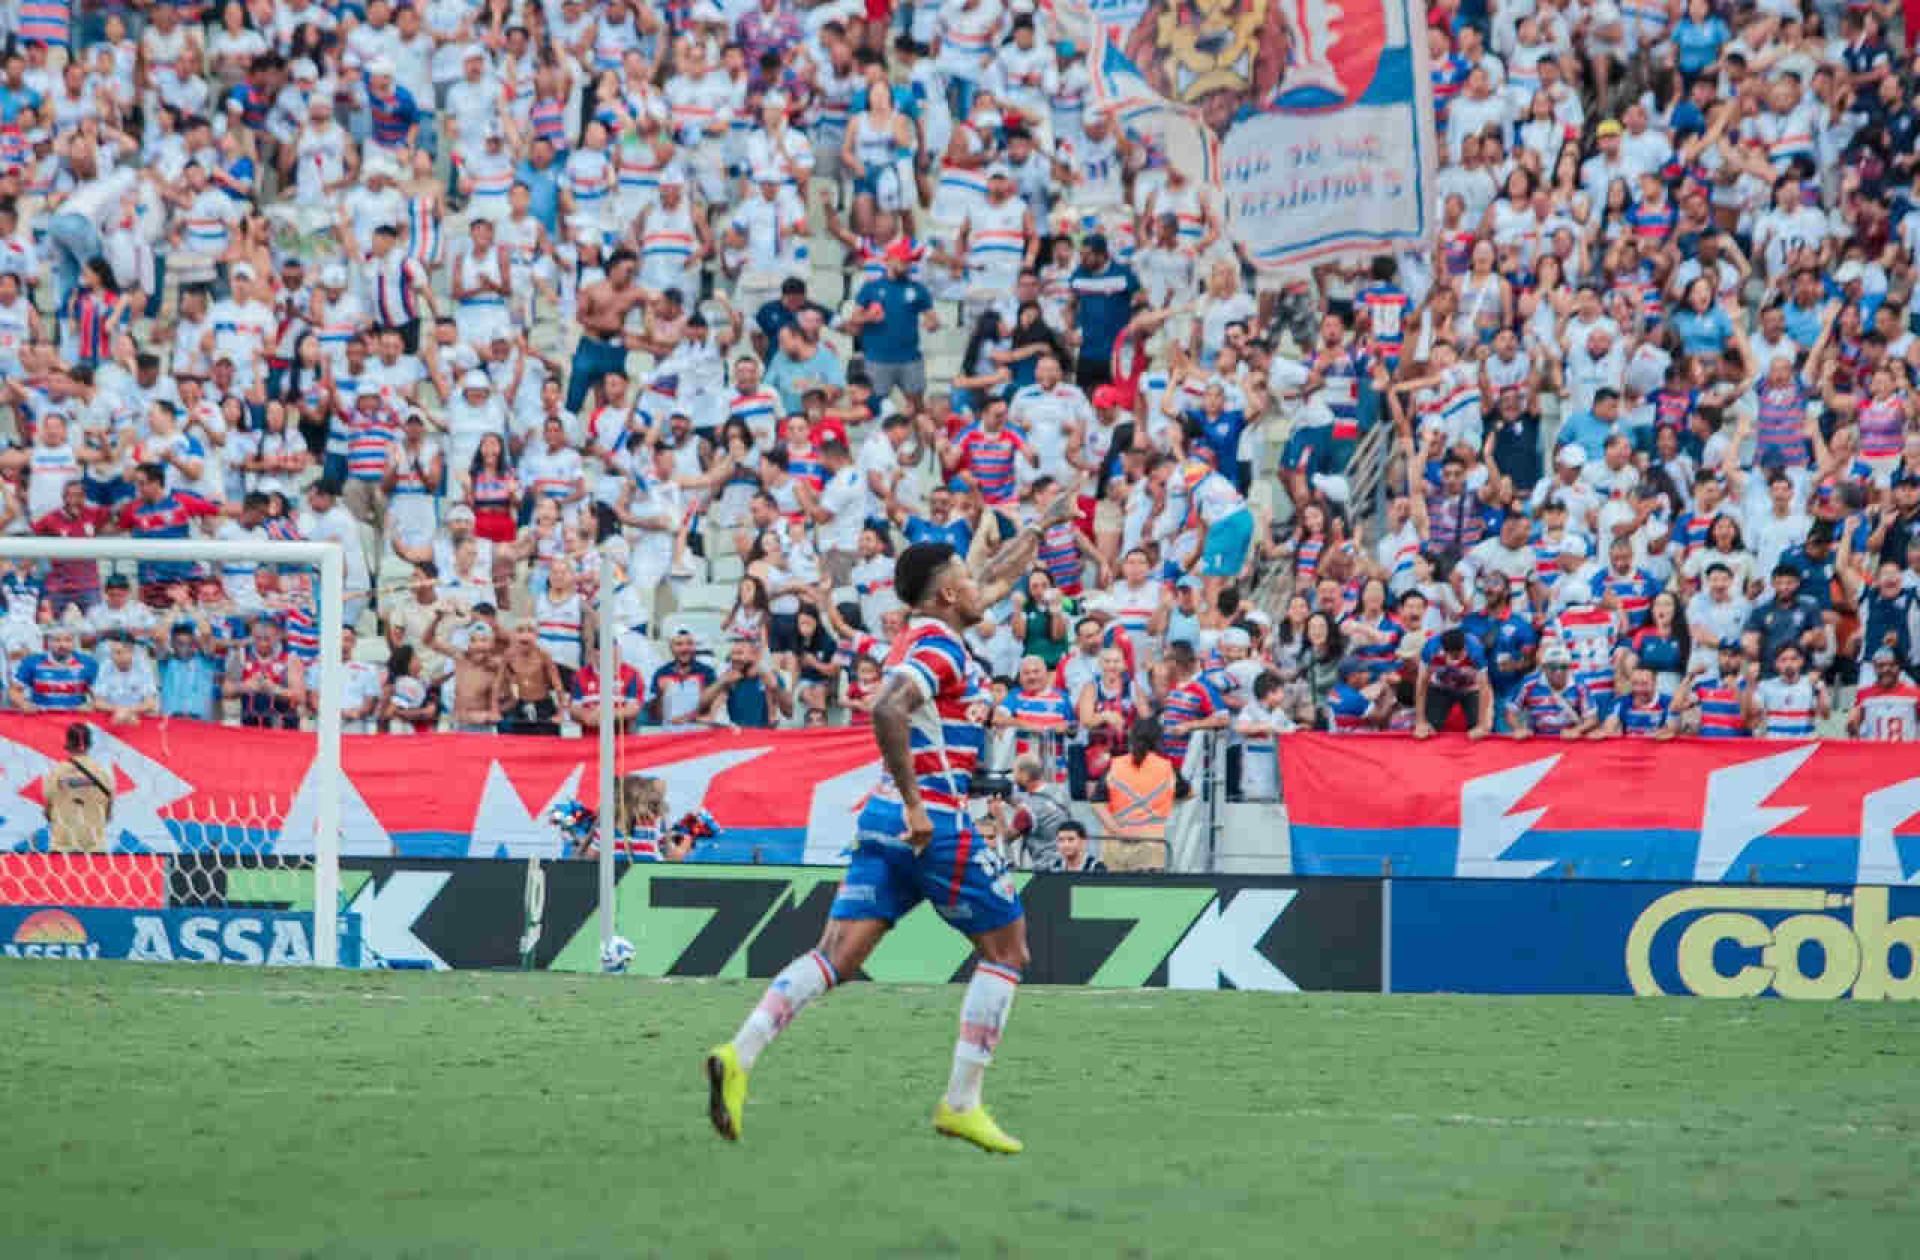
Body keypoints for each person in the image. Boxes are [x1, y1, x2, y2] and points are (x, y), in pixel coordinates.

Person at [705, 504, 1067, 1156]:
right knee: (1007, 951)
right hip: (934, 824)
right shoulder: (939, 646)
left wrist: (1040, 528)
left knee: (836, 956)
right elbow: (886, 706)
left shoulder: (924, 631)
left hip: (879, 823)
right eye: (969, 582)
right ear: (950, 594)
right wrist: (917, 805)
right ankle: (961, 1103)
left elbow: (991, 576)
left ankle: (740, 1053)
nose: (984, 590)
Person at [1091, 716, 1186, 872]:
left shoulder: (1115, 765)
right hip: (1151, 847)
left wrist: (1119, 832)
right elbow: (1187, 793)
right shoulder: (1168, 768)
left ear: (1132, 737)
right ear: (1158, 740)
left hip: (1115, 847)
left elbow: (1097, 803)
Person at [41, 723, 113, 854]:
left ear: (68, 744)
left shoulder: (56, 772)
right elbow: (108, 815)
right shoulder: (103, 773)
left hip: (62, 846)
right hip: (94, 847)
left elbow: (47, 812)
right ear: (90, 744)